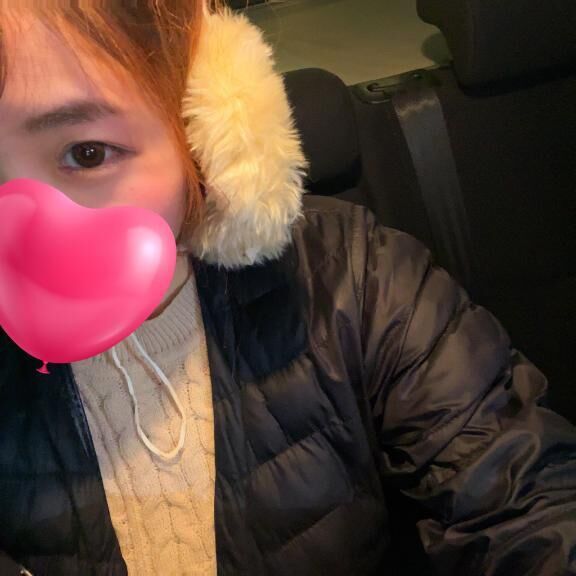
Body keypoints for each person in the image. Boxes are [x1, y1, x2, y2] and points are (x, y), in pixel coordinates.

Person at [0, 2, 575, 575]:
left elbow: (525, 504)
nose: (24, 234)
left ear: (205, 138)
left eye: (87, 154)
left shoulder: (354, 282)